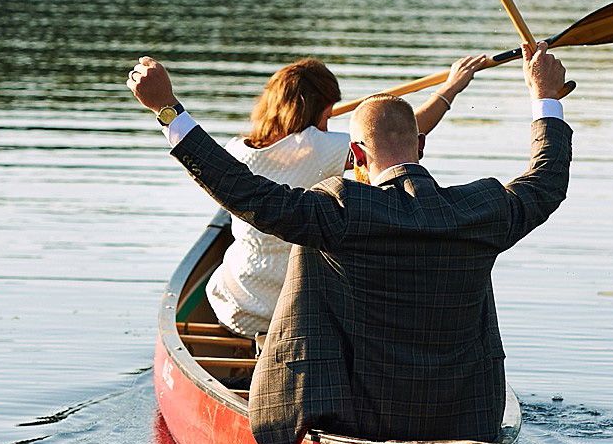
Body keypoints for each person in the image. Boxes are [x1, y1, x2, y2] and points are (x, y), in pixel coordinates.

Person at [127, 42, 570, 444]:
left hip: (359, 419)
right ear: (421, 145)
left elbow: (244, 192)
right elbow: (547, 179)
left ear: (355, 155)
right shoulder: (483, 209)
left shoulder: (336, 211)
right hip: (465, 420)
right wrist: (545, 97)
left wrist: (167, 110)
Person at [204, 54, 489, 340]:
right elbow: (399, 135)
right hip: (292, 310)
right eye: (327, 116)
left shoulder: (236, 149)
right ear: (315, 110)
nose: (327, 125)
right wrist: (451, 88)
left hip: (236, 306)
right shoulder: (318, 146)